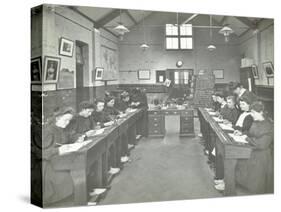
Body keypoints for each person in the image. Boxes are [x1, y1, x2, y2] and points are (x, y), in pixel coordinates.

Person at [236, 101, 273, 194]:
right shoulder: (255, 122)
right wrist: (242, 133)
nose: (252, 115)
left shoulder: (269, 126)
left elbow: (262, 144)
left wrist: (247, 138)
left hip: (261, 155)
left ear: (261, 112)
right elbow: (250, 133)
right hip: (252, 150)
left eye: (253, 113)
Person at [41, 107, 76, 205]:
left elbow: (69, 137)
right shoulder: (48, 131)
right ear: (57, 118)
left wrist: (78, 138)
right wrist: (57, 150)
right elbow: (41, 152)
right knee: (69, 175)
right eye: (65, 120)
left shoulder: (61, 128)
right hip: (48, 164)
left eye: (69, 120)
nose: (67, 123)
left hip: (60, 159)